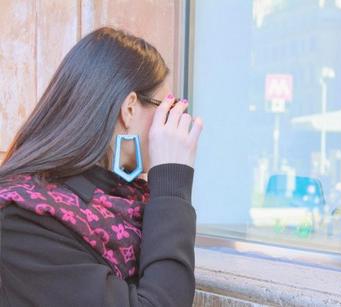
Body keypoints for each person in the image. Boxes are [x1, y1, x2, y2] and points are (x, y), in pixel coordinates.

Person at [0, 26, 203, 307]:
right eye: (166, 108)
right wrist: (171, 184)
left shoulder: (119, 200)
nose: (170, 124)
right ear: (129, 108)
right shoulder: (23, 220)